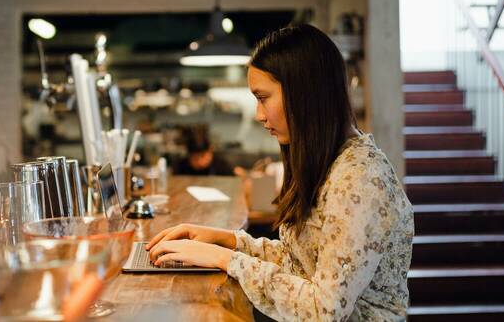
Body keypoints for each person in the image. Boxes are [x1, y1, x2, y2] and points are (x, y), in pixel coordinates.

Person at [147, 24, 414, 321]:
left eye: (263, 98)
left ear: (304, 93)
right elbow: (300, 263)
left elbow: (323, 309)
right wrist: (226, 240)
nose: (259, 115)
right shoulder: (330, 161)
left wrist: (226, 259)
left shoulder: (359, 180)